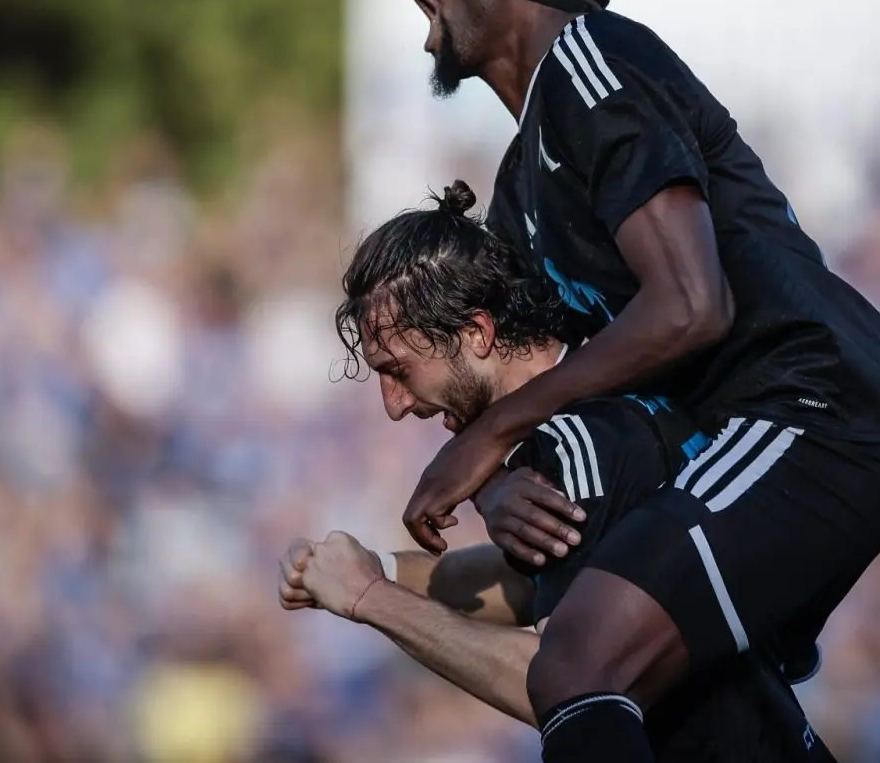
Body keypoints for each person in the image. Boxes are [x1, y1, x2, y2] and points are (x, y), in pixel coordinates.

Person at [401, 0, 880, 762]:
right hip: (740, 432)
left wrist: (493, 434)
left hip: (813, 407)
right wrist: (493, 483)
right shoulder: (519, 185)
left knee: (580, 660)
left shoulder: (590, 55)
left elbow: (690, 305)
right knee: (693, 713)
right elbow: (527, 374)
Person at [280, 184, 829, 760]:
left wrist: (369, 598)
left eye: (398, 371)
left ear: (477, 333)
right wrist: (382, 570)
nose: (393, 406)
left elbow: (570, 686)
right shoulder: (615, 393)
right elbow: (548, 581)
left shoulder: (574, 448)